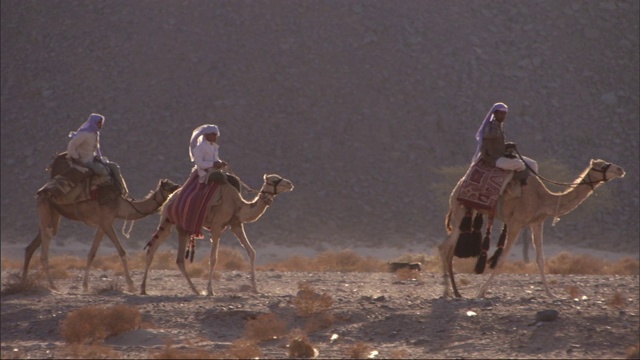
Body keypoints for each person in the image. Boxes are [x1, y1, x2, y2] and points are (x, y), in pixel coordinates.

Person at [472, 102, 538, 185]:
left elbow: (497, 145)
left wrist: (507, 146)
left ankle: (533, 187)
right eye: (500, 113)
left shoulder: (499, 126)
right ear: (494, 114)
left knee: (532, 164)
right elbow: (489, 138)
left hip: (502, 155)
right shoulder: (490, 127)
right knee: (520, 165)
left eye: (504, 114)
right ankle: (514, 185)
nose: (503, 116)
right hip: (494, 159)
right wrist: (496, 127)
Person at [67, 113, 130, 197]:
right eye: (99, 123)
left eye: (101, 123)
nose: (101, 125)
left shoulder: (95, 134)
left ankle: (122, 191)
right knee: (104, 172)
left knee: (114, 167)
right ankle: (92, 185)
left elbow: (96, 149)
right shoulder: (84, 134)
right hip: (84, 161)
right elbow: (71, 146)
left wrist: (98, 157)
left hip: (93, 159)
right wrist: (76, 158)